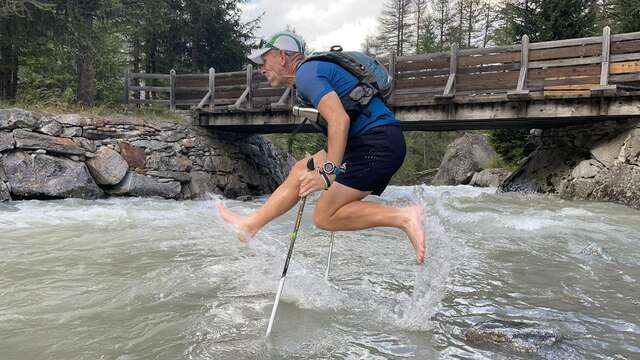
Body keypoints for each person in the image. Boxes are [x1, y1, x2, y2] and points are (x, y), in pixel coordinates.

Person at [217, 30, 426, 264]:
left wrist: (328, 173)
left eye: (264, 61)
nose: (262, 69)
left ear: (283, 56)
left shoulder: (306, 73)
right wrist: (325, 164)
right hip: (367, 141)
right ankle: (250, 225)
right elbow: (343, 120)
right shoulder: (310, 74)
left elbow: (339, 120)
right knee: (300, 170)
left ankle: (404, 216)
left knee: (325, 215)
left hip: (376, 143)